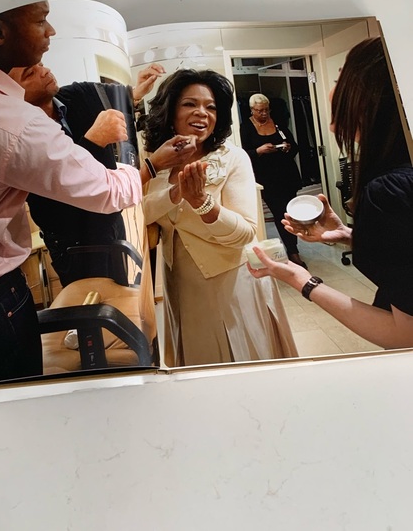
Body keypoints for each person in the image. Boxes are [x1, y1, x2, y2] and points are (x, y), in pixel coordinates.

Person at [0, 1, 143, 391]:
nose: (51, 32)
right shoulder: (15, 124)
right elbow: (110, 191)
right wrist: (131, 159)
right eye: (40, 21)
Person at [248, 36, 413, 347]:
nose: (333, 89)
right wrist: (349, 235)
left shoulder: (388, 191)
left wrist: (302, 281)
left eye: (339, 78)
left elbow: (406, 336)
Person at [142, 69, 297, 366]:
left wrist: (203, 203)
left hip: (231, 283)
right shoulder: (158, 159)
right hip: (181, 285)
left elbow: (246, 232)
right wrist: (176, 192)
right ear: (170, 111)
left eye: (210, 107)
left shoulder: (233, 158)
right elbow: (142, 211)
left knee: (244, 364)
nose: (202, 113)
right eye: (190, 104)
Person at [7, 62, 167, 286]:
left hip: (111, 227)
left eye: (40, 64)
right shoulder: (21, 136)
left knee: (121, 294)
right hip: (74, 246)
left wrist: (137, 91)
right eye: (30, 73)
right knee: (94, 304)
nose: (44, 71)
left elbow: (119, 95)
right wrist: (94, 141)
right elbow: (57, 204)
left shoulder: (76, 95)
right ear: (9, 91)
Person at [240, 93, 306, 267]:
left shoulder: (278, 123)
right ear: (252, 110)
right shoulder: (246, 127)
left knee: (290, 213)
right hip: (266, 179)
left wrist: (288, 147)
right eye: (259, 110)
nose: (264, 114)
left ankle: (292, 249)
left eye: (266, 110)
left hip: (287, 175)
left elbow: (295, 147)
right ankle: (293, 252)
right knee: (280, 213)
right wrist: (259, 151)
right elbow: (244, 155)